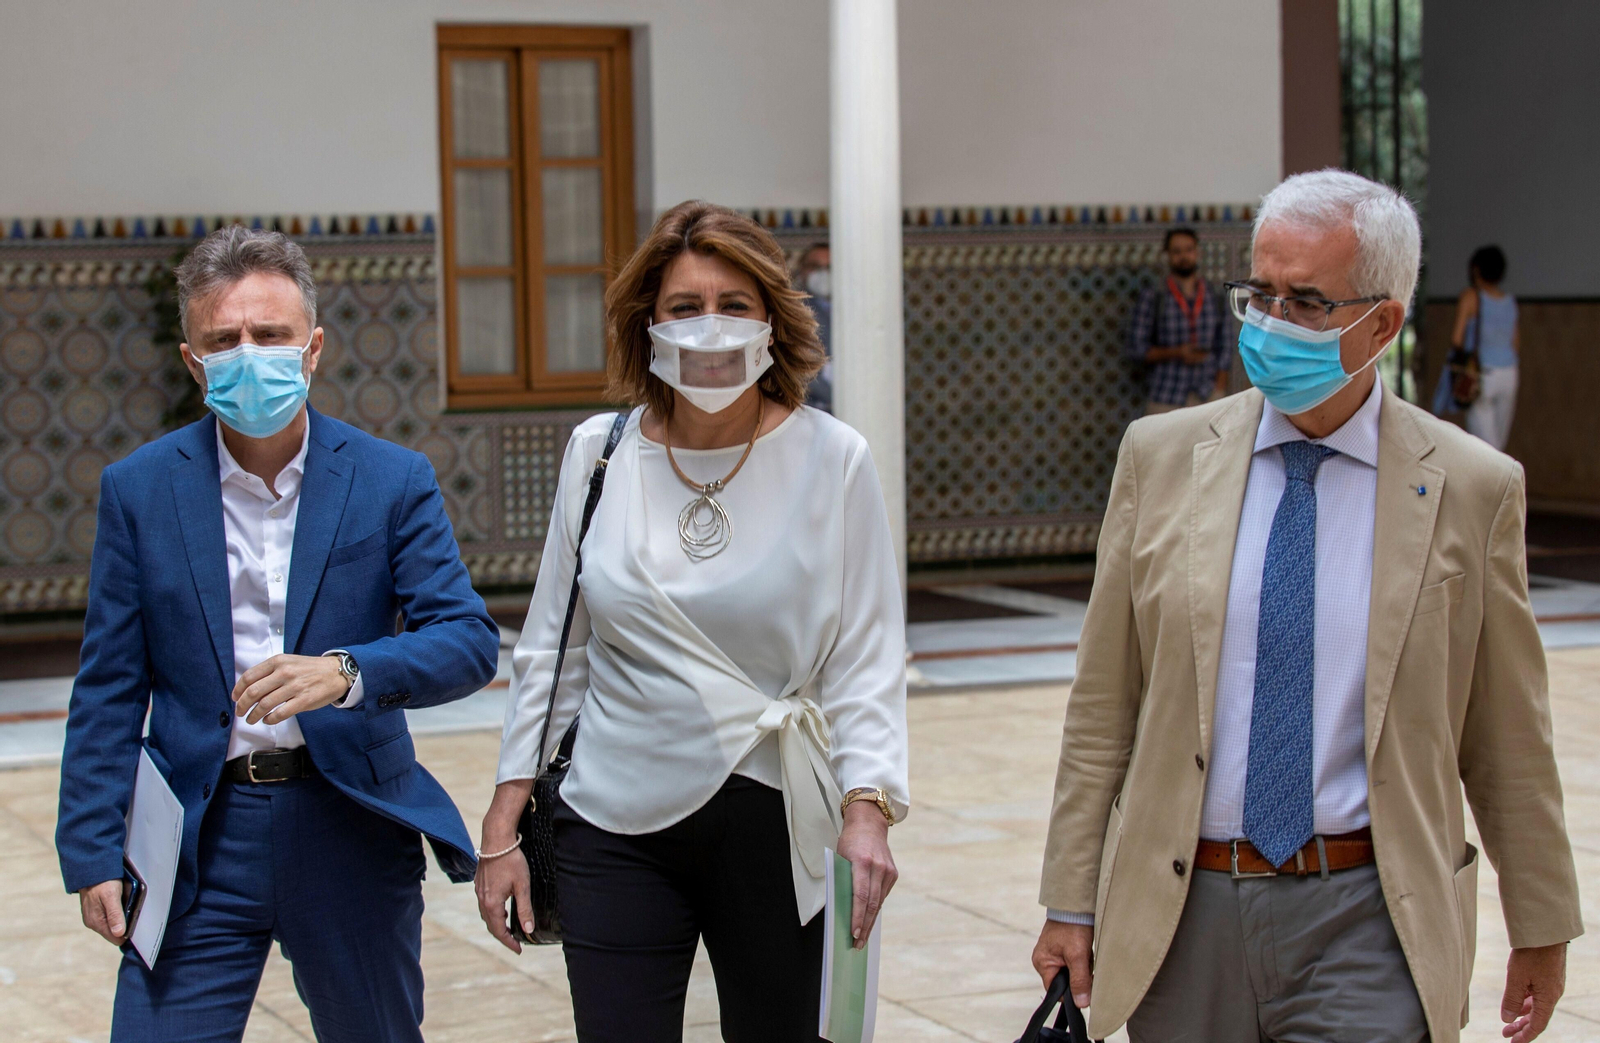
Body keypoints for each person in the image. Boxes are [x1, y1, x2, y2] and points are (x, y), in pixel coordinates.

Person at [1032, 170, 1580, 1043]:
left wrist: (1541, 921)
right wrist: (1069, 896)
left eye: (1307, 302)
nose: (1272, 324)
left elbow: (1508, 731)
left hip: (1370, 911)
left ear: (1383, 323)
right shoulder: (1161, 458)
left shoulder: (1473, 488)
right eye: (1261, 294)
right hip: (1185, 909)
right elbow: (1104, 707)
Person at [476, 201, 908, 1042]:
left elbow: (867, 656)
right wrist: (503, 822)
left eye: (734, 305)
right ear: (648, 325)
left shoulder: (833, 458)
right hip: (611, 818)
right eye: (684, 307)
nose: (709, 327)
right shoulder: (597, 453)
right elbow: (553, 650)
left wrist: (868, 810)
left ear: (772, 323)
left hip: (775, 816)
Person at [56, 227, 499, 1043]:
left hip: (349, 825)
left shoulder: (391, 479)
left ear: (313, 348)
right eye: (224, 339)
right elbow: (109, 686)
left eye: (271, 335)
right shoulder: (139, 490)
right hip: (198, 835)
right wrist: (90, 849)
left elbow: (467, 638)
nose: (248, 353)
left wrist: (347, 671)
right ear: (193, 359)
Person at [1126, 227, 1232, 413]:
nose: (1183, 256)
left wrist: (1219, 389)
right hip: (1166, 396)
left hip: (1206, 395)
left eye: (1189, 250)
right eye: (1176, 251)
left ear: (1197, 252)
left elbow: (1226, 344)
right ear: (1167, 254)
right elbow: (1136, 348)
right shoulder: (1154, 296)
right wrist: (1176, 352)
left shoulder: (1213, 294)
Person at [1455, 245, 1520, 450]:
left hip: (1481, 374)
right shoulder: (1510, 302)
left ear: (1476, 269)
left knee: (1486, 450)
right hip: (1509, 374)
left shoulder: (1470, 297)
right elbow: (1516, 344)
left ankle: (1497, 482)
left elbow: (1456, 338)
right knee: (1498, 445)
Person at [796, 241, 833, 412]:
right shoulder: (794, 311)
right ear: (802, 271)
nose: (822, 273)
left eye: (829, 267)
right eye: (814, 266)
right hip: (810, 410)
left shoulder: (857, 309)